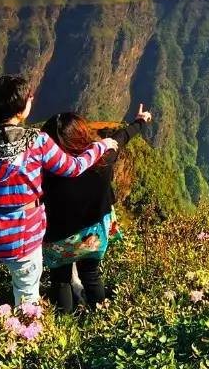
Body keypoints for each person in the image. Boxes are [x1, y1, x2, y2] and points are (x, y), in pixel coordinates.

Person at [0, 75, 118, 305]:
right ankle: (25, 337)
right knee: (27, 300)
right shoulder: (38, 142)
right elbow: (73, 168)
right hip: (24, 236)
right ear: (22, 109)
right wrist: (100, 146)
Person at [41, 104, 152, 313]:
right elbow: (122, 138)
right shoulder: (103, 159)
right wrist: (140, 121)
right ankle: (98, 318)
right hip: (94, 234)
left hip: (59, 237)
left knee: (61, 280)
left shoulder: (44, 171)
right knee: (91, 275)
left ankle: (65, 323)